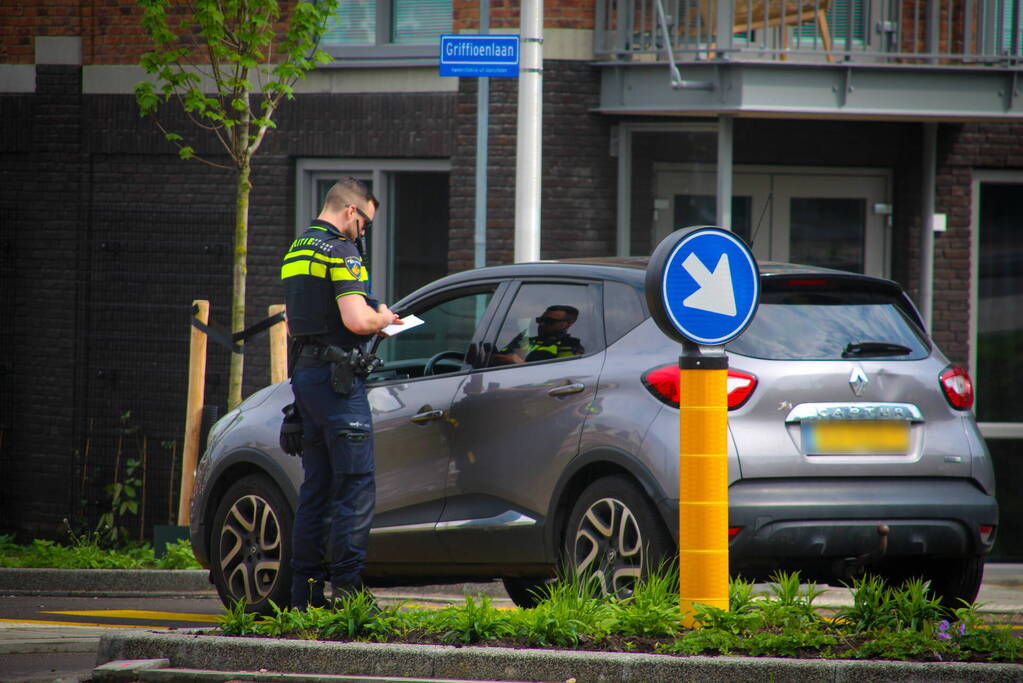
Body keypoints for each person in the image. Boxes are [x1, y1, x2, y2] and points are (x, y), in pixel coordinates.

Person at [281, 176, 401, 609]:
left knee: (317, 488)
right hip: (338, 382)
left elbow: (294, 327)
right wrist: (383, 317)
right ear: (351, 210)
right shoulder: (340, 250)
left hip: (307, 378)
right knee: (354, 485)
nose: (364, 231)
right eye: (365, 221)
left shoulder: (296, 250)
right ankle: (350, 592)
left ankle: (305, 595)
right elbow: (355, 320)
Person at [490, 305, 584, 365]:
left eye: (549, 321)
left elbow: (563, 375)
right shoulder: (526, 340)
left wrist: (521, 363)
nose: (541, 324)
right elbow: (500, 358)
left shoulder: (570, 346)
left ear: (568, 324)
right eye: (540, 320)